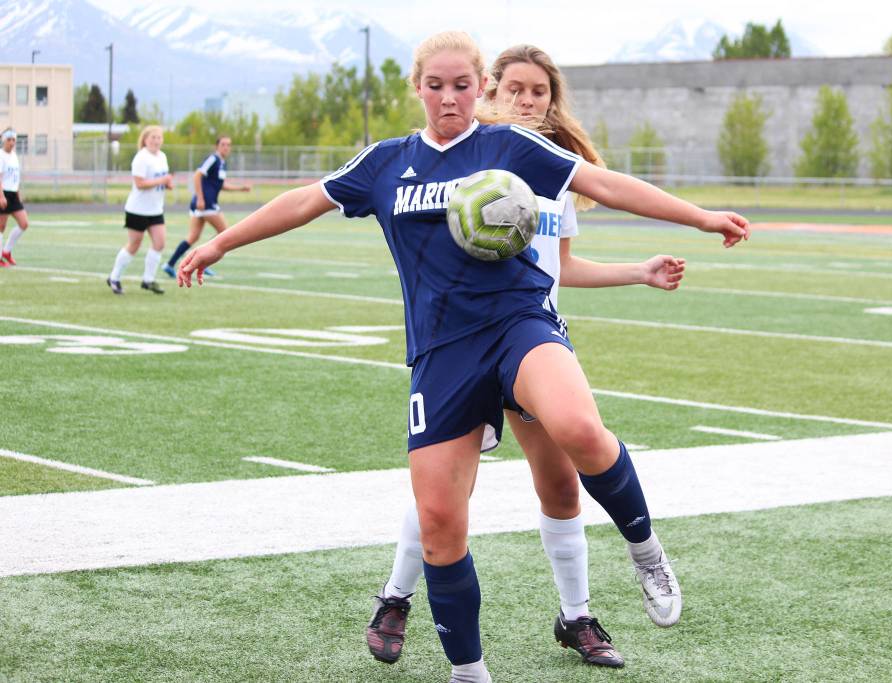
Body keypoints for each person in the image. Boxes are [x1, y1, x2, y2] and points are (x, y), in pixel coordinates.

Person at [179, 31, 748, 683]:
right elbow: (305, 200)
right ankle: (469, 671)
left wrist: (700, 217)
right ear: (417, 88)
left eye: (461, 85)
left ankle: (644, 550)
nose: (448, 98)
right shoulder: (387, 163)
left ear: (481, 88)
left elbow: (602, 182)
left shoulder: (508, 147)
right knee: (442, 520)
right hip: (442, 352)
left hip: (518, 322)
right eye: (435, 85)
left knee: (579, 428)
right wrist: (222, 245)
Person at [365, 43, 690, 671]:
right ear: (491, 91)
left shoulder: (548, 175)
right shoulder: (470, 159)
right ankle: (397, 597)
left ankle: (578, 615)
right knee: (442, 493)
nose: (527, 100)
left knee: (563, 478)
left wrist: (638, 271)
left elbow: (563, 268)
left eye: (539, 92)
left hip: (530, 332)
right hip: (460, 340)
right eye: (514, 89)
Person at [162, 135, 250, 279]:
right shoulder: (213, 159)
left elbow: (221, 185)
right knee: (225, 233)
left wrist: (241, 188)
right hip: (206, 203)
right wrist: (201, 198)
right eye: (223, 144)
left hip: (204, 203)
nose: (226, 147)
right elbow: (197, 176)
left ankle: (170, 264)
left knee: (193, 237)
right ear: (217, 146)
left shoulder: (222, 163)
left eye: (228, 145)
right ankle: (203, 263)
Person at [107, 125, 172, 295]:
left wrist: (167, 183)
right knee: (134, 245)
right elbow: (140, 184)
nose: (156, 141)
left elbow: (161, 179)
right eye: (153, 137)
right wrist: (162, 181)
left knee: (160, 243)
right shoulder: (141, 158)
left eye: (159, 137)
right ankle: (114, 277)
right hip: (137, 210)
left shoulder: (162, 156)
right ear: (145, 140)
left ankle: (148, 280)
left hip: (155, 209)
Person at [0, 129, 29, 267]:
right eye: (9, 140)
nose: (12, 143)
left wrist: (18, 194)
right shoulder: (1, 155)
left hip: (13, 194)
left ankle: (7, 252)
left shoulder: (14, 156)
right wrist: (1, 196)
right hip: (3, 193)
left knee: (24, 223)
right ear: (3, 140)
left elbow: (15, 177)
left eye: (13, 140)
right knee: (1, 227)